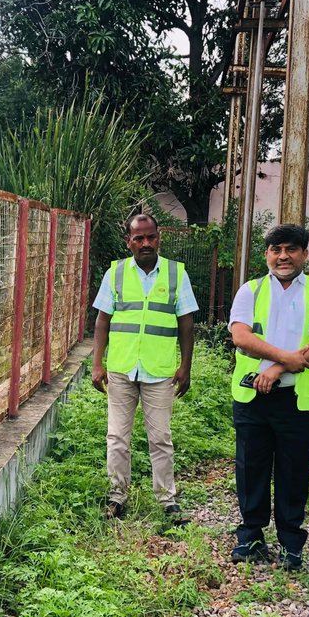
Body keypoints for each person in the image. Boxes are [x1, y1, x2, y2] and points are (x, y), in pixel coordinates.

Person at [227, 224, 309, 566]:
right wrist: (285, 357)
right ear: (267, 255)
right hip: (252, 397)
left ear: (305, 253)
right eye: (276, 250)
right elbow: (241, 336)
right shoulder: (251, 290)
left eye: (291, 249)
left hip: (297, 399)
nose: (283, 256)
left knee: (294, 471)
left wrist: (279, 368)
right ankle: (250, 537)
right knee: (251, 467)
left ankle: (292, 543)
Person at [91, 213, 197, 524]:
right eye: (139, 238)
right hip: (122, 368)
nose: (146, 243)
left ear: (159, 238)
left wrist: (185, 366)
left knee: (160, 437)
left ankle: (167, 498)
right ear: (129, 242)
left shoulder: (177, 274)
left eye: (150, 237)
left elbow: (187, 323)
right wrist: (98, 363)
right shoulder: (116, 273)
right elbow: (102, 320)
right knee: (117, 437)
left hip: (159, 370)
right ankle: (116, 495)